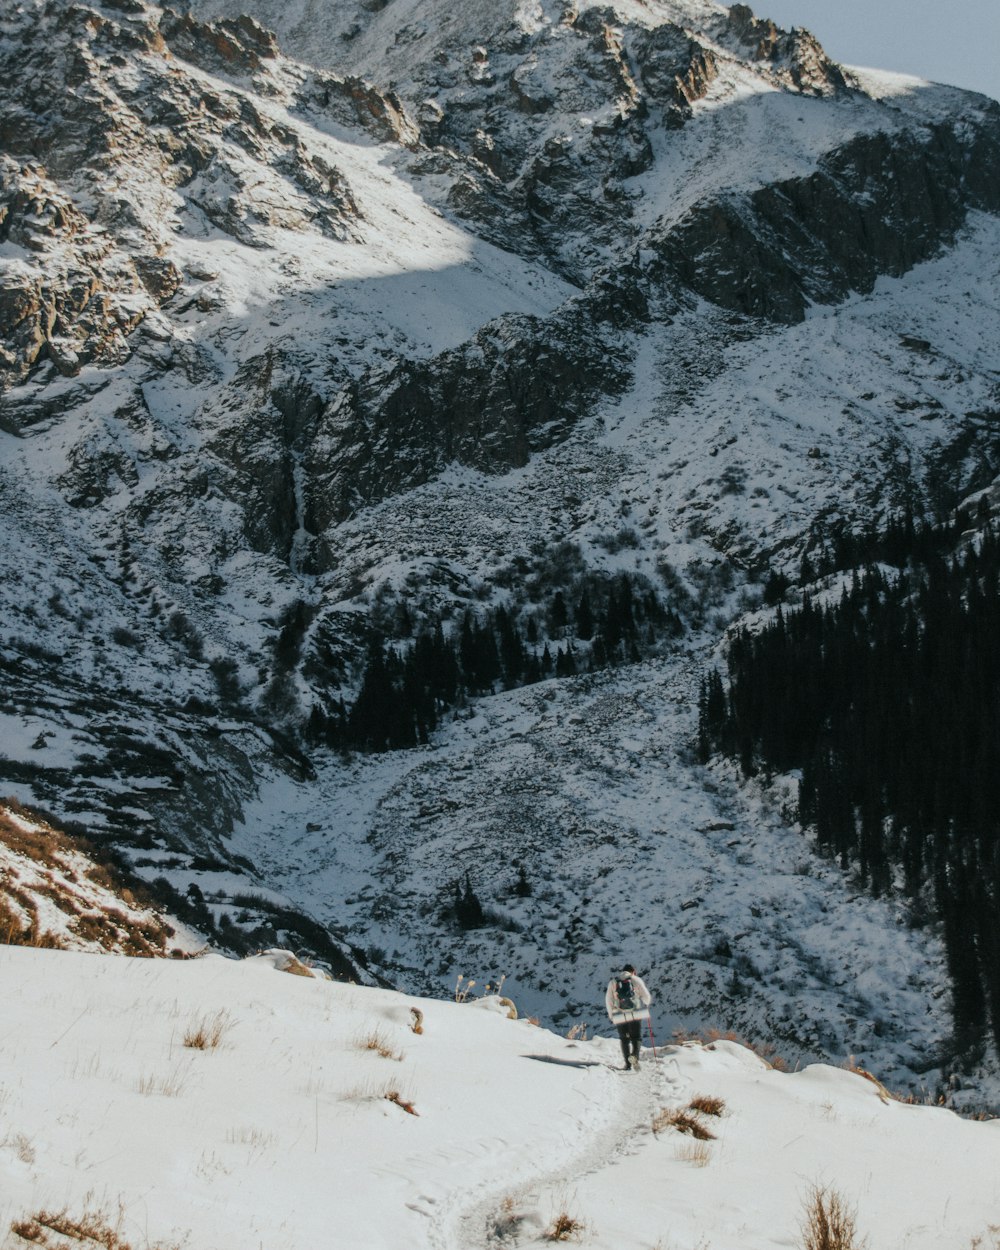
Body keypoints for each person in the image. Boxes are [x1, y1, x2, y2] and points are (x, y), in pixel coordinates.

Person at [605, 963, 652, 1070]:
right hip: (635, 1013)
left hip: (619, 1013)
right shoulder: (636, 980)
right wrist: (645, 1002)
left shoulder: (613, 982)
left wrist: (611, 1015)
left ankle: (627, 1064)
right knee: (636, 1038)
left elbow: (609, 1000)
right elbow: (647, 998)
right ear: (633, 972)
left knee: (624, 1039)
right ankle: (634, 1056)